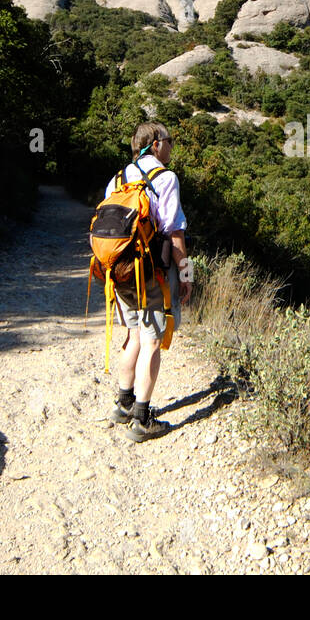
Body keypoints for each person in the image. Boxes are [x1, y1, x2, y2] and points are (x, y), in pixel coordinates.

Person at [105, 121, 192, 441]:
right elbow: (175, 231)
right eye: (169, 141)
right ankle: (142, 419)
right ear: (156, 144)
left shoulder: (117, 178)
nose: (172, 147)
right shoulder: (166, 179)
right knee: (152, 340)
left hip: (120, 271)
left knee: (133, 335)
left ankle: (124, 402)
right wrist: (187, 274)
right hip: (151, 272)